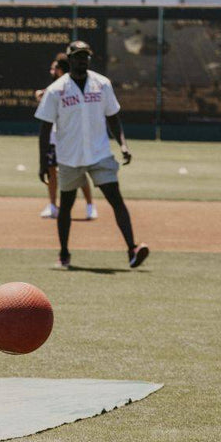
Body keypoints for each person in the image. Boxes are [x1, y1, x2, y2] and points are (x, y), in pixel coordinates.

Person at [35, 41, 149, 271]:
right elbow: (45, 128)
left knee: (116, 200)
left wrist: (123, 145)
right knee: (66, 206)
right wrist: (42, 163)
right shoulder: (57, 90)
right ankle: (64, 253)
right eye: (77, 56)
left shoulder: (102, 84)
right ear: (70, 59)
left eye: (85, 56)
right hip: (69, 157)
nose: (82, 60)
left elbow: (113, 117)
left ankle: (132, 249)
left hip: (99, 154)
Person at [35, 52, 96, 222]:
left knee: (79, 172)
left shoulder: (67, 86)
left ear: (61, 70)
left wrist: (42, 95)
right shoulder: (56, 86)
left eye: (54, 68)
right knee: (51, 169)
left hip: (70, 138)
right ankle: (53, 205)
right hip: (55, 136)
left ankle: (90, 205)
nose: (52, 70)